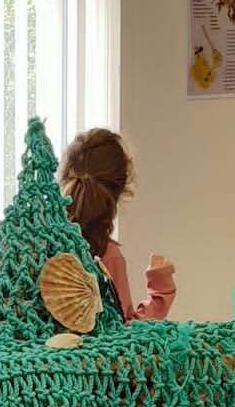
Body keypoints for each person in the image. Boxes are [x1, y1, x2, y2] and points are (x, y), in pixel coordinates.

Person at [58, 126, 176, 321]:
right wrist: (160, 294)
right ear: (121, 190)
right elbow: (122, 334)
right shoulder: (107, 256)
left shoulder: (39, 245)